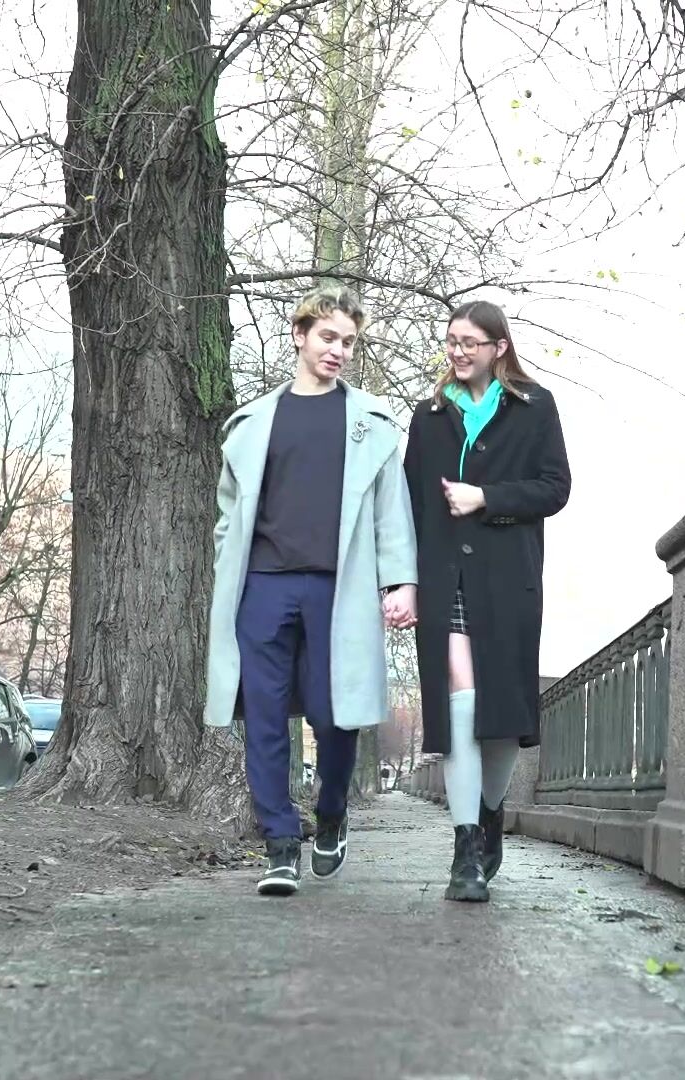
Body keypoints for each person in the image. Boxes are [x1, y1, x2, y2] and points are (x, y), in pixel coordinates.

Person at [204, 286, 418, 897]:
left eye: (348, 342)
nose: (338, 350)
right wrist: (227, 564)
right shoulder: (253, 424)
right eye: (328, 337)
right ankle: (278, 844)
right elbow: (228, 515)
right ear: (300, 335)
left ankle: (330, 813)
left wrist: (401, 581)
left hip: (338, 589)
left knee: (334, 716)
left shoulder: (371, 424)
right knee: (264, 718)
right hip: (263, 588)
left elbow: (392, 513)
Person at [404, 300, 571, 903]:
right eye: (452, 340)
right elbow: (409, 505)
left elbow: (555, 488)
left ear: (499, 347)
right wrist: (401, 581)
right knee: (463, 701)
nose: (458, 351)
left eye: (470, 342)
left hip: (508, 580)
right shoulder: (429, 415)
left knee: (502, 721)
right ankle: (466, 847)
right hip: (444, 577)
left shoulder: (534, 406)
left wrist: (487, 497)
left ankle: (491, 808)